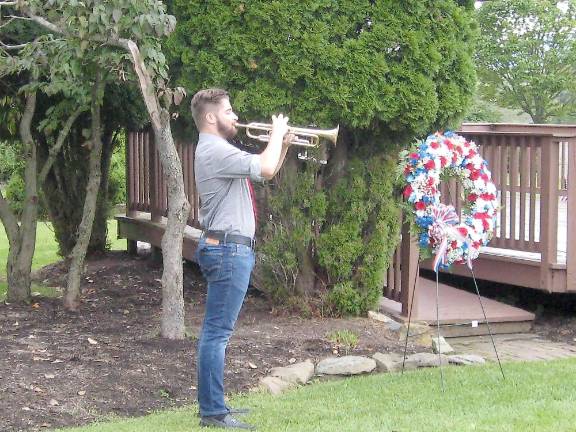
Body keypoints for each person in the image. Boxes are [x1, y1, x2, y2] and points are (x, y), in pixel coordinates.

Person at [191, 88, 291, 430]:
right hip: (228, 250)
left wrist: (285, 143)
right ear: (210, 117)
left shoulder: (217, 150)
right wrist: (276, 133)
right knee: (216, 334)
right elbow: (264, 166)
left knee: (216, 332)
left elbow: (269, 169)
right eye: (229, 111)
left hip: (227, 248)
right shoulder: (215, 149)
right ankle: (213, 414)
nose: (235, 117)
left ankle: (215, 408)